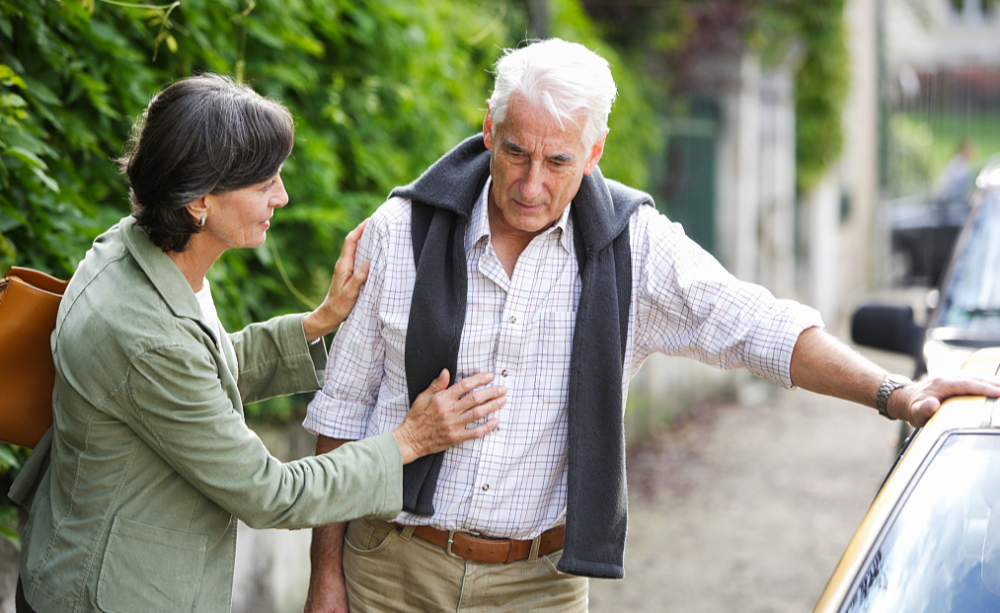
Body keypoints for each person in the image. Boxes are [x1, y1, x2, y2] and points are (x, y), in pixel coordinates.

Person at [302, 39, 1000, 612]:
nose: (530, 183)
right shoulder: (401, 234)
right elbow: (341, 409)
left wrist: (891, 393)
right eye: (514, 151)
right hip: (388, 569)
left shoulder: (634, 249)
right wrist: (325, 577)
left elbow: (760, 325)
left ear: (595, 152)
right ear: (489, 129)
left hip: (536, 587)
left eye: (558, 161)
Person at [7, 74, 506, 613]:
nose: (283, 196)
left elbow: (200, 374)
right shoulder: (148, 334)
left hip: (70, 558)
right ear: (199, 200)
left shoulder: (130, 251)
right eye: (263, 182)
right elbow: (272, 493)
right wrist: (407, 441)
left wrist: (317, 323)